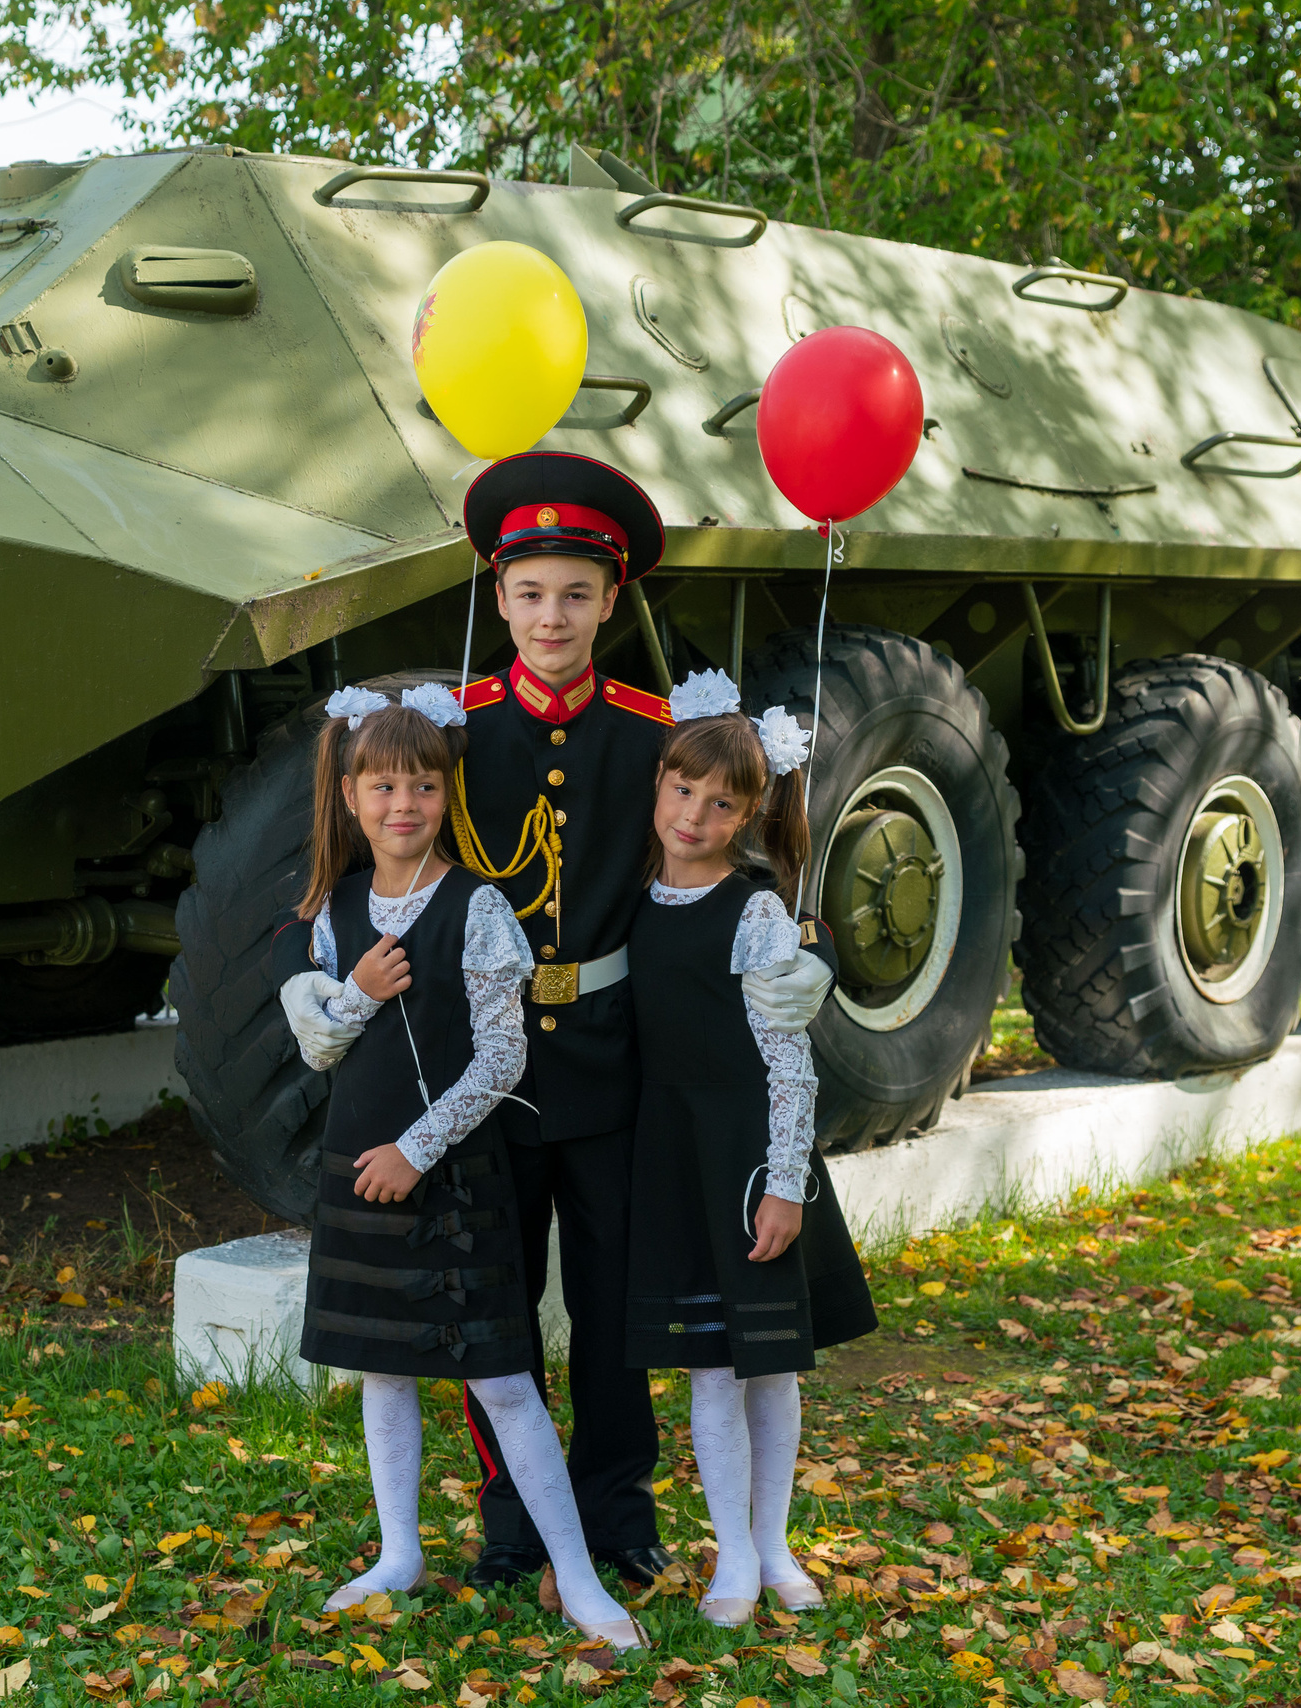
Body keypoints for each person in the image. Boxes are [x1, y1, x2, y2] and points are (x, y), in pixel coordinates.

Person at [281, 451, 839, 1596]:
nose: (551, 617)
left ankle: (618, 1513)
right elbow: (375, 854)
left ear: (611, 601)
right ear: (498, 597)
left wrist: (800, 956)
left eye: (576, 595)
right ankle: (511, 1525)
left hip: (611, 1051)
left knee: (612, 1291)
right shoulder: (450, 733)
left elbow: (717, 860)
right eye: (529, 593)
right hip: (471, 1061)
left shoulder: (654, 733)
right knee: (493, 1300)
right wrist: (324, 985)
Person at [292, 682, 646, 1650]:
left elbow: (503, 1058)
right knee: (383, 1370)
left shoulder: (478, 905)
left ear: (445, 796)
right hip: (355, 1169)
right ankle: (398, 1550)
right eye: (381, 786)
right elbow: (320, 1047)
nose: (400, 805)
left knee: (500, 1378)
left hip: (447, 1174)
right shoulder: (333, 909)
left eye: (420, 786)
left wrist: (415, 1149)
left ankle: (575, 1575)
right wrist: (356, 993)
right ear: (350, 794)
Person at [624, 670, 879, 1628]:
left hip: (748, 1160)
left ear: (748, 814)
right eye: (681, 791)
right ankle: (730, 1551)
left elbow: (789, 1062)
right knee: (708, 1366)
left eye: (719, 803)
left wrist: (785, 1184)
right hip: (671, 1156)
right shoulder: (631, 899)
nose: (693, 814)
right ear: (658, 785)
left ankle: (773, 1544)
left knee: (768, 1364)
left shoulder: (758, 910)